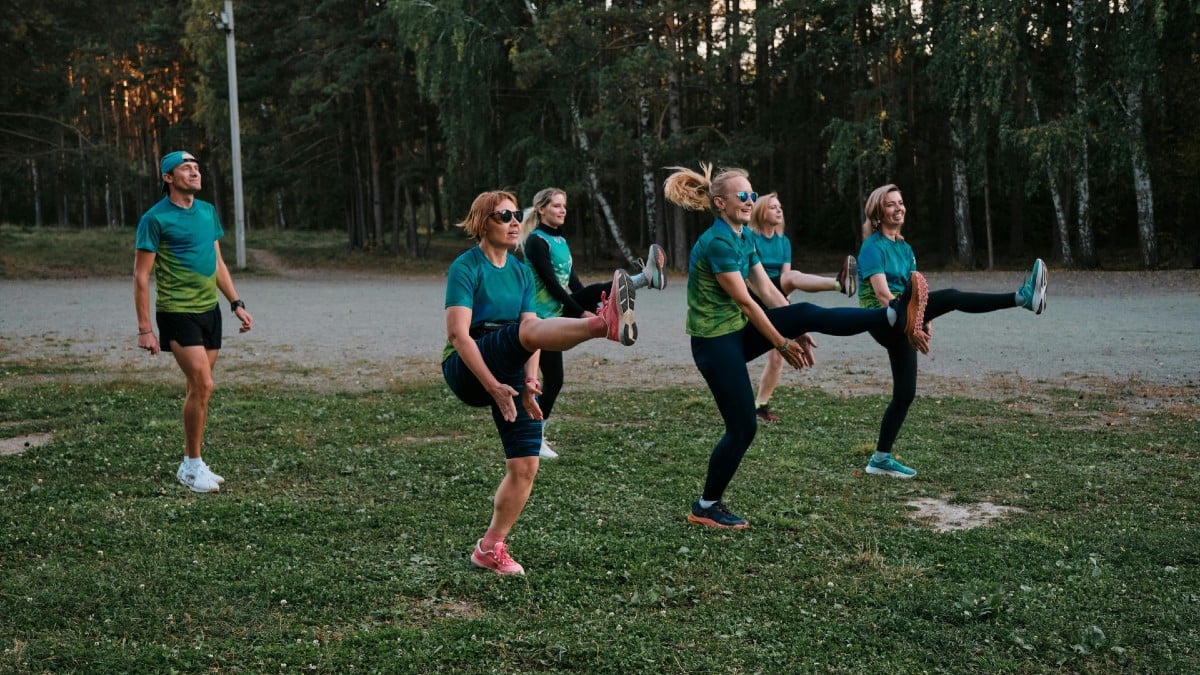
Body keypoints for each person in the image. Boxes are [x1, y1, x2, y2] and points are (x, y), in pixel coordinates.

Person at [663, 163, 930, 529]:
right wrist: (781, 341)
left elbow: (770, 291)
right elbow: (746, 302)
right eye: (742, 196)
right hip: (714, 344)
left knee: (803, 309)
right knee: (743, 428)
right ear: (720, 203)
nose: (749, 201)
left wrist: (796, 324)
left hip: (737, 332)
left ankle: (890, 316)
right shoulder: (717, 242)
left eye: (752, 195)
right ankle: (706, 505)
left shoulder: (745, 238)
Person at [443, 189, 637, 575]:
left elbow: (533, 333)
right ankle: (602, 324)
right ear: (483, 222)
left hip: (512, 363)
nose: (515, 222)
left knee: (526, 466)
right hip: (469, 366)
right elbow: (458, 336)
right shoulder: (465, 267)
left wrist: (531, 382)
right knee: (521, 331)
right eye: (504, 216)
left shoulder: (519, 271)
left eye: (517, 215)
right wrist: (493, 387)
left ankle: (489, 547)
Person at [857, 183, 1048, 479]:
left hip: (906, 315)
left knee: (905, 393)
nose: (899, 208)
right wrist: (911, 323)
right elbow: (883, 295)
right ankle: (1021, 298)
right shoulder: (871, 247)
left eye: (901, 202)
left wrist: (924, 320)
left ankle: (880, 458)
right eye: (891, 204)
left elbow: (917, 293)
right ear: (878, 213)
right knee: (953, 296)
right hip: (882, 316)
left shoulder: (905, 248)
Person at [134, 150, 253, 493]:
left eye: (196, 167)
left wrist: (235, 303)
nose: (194, 172)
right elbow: (141, 276)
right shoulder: (154, 219)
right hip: (177, 311)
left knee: (197, 388)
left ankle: (191, 464)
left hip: (209, 312)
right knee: (204, 384)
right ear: (168, 178)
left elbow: (216, 261)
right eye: (185, 168)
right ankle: (192, 464)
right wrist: (145, 329)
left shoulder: (207, 212)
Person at [518, 187, 667, 459]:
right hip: (540, 319)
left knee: (597, 289)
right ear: (541, 209)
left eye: (564, 205)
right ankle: (533, 439)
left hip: (560, 311)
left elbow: (572, 283)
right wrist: (583, 312)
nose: (563, 210)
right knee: (552, 381)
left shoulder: (560, 242)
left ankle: (642, 283)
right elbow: (552, 285)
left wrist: (588, 303)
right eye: (556, 206)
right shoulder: (536, 242)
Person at [747, 192, 858, 422]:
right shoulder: (750, 237)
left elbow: (785, 279)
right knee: (793, 277)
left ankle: (760, 406)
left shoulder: (784, 241)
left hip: (778, 296)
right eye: (772, 207)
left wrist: (788, 311)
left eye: (780, 207)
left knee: (777, 357)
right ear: (760, 212)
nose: (779, 210)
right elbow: (750, 277)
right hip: (755, 293)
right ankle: (839, 284)